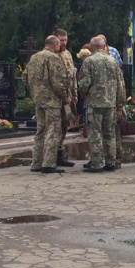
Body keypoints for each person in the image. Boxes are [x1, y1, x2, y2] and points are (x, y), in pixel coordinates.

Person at [23, 35, 70, 174]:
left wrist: (35, 90)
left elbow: (25, 76)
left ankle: (36, 163)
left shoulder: (34, 57)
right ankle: (49, 163)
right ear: (55, 44)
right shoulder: (53, 58)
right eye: (58, 44)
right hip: (52, 101)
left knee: (40, 131)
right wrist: (65, 96)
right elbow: (57, 81)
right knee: (53, 130)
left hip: (39, 100)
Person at [78, 37, 125, 172]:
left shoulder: (89, 61)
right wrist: (119, 104)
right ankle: (111, 161)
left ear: (92, 47)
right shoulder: (113, 61)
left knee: (95, 133)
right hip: (110, 104)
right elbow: (120, 85)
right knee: (110, 133)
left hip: (94, 104)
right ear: (104, 46)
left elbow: (84, 83)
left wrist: (83, 94)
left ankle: (97, 162)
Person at [54, 29, 77, 168]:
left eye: (65, 40)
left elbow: (72, 75)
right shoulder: (52, 55)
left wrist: (74, 93)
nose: (64, 43)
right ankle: (52, 157)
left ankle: (60, 155)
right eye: (61, 40)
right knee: (54, 128)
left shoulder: (67, 54)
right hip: (56, 98)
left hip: (68, 97)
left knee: (64, 126)